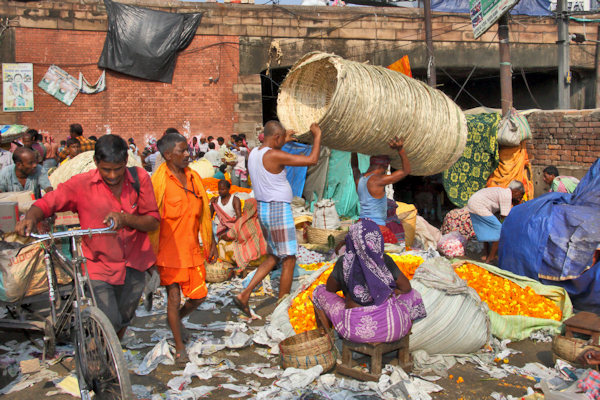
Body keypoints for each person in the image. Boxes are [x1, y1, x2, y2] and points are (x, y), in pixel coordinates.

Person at [15, 135, 160, 337]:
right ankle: (104, 353)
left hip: (135, 262)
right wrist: (31, 217)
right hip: (98, 264)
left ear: (125, 162)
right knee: (108, 320)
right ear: (95, 163)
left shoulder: (139, 178)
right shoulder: (81, 184)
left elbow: (152, 221)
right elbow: (48, 202)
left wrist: (124, 219)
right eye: (105, 169)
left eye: (117, 169)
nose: (112, 175)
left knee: (124, 318)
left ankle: (111, 354)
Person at [233, 120, 322, 317]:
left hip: (264, 208)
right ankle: (283, 306)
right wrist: (317, 136)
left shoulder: (255, 152)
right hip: (277, 209)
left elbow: (273, 146)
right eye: (281, 138)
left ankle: (244, 295)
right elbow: (313, 159)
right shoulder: (274, 155)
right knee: (289, 258)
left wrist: (283, 138)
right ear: (276, 138)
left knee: (273, 256)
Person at [150, 131, 216, 363]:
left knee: (199, 297)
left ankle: (175, 320)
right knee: (173, 298)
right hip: (168, 254)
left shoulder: (193, 178)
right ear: (168, 155)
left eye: (187, 149)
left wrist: (212, 241)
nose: (188, 154)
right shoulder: (158, 182)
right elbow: (150, 219)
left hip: (192, 250)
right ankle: (179, 347)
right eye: (182, 151)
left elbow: (204, 214)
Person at [312, 219, 426, 343]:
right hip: (393, 327)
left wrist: (348, 282)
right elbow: (406, 288)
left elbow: (330, 289)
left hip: (357, 330)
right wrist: (387, 291)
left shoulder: (345, 262)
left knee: (319, 291)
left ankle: (325, 342)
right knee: (413, 293)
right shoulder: (384, 260)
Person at [351, 138, 411, 244]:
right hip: (376, 228)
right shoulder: (377, 180)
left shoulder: (359, 179)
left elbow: (354, 166)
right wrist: (400, 149)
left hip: (360, 225)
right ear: (383, 166)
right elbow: (406, 171)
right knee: (393, 254)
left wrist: (353, 149)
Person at [466, 181, 524, 263]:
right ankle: (491, 258)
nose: (520, 198)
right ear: (515, 191)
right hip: (479, 206)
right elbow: (504, 217)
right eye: (520, 195)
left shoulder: (503, 192)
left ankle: (485, 254)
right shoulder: (507, 195)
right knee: (499, 231)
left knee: (486, 232)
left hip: (473, 203)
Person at [228, 198, 268, 275]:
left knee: (225, 245)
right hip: (267, 256)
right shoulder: (264, 221)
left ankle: (236, 265)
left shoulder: (242, 222)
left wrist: (221, 237)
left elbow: (229, 235)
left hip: (251, 258)